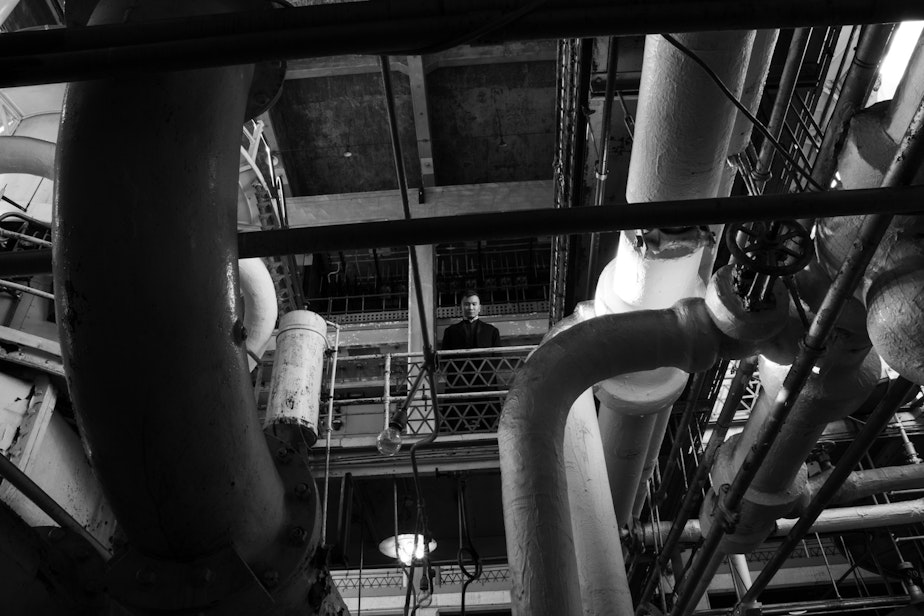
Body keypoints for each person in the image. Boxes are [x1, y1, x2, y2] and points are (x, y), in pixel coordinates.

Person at [440, 291, 501, 432]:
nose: (470, 307)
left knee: (488, 422)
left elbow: (497, 357)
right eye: (466, 304)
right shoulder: (450, 331)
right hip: (459, 381)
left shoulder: (492, 331)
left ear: (480, 307)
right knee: (456, 423)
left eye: (474, 304)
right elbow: (445, 358)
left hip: (485, 381)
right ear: (461, 307)